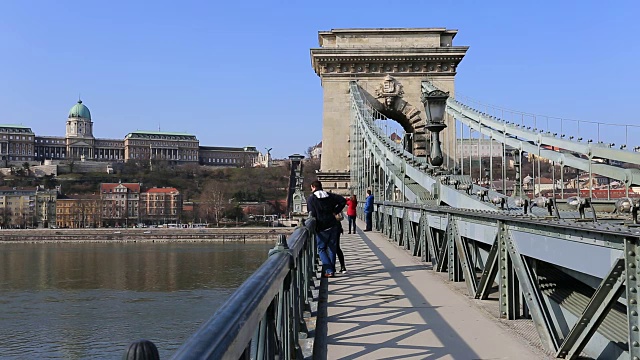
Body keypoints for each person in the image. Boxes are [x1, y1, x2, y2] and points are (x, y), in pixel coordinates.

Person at [306, 180, 347, 278]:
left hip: (321, 226)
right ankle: (331, 270)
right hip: (333, 225)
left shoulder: (311, 199)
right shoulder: (329, 195)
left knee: (321, 249)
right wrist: (335, 211)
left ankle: (329, 270)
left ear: (313, 187)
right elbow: (343, 200)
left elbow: (311, 213)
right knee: (332, 249)